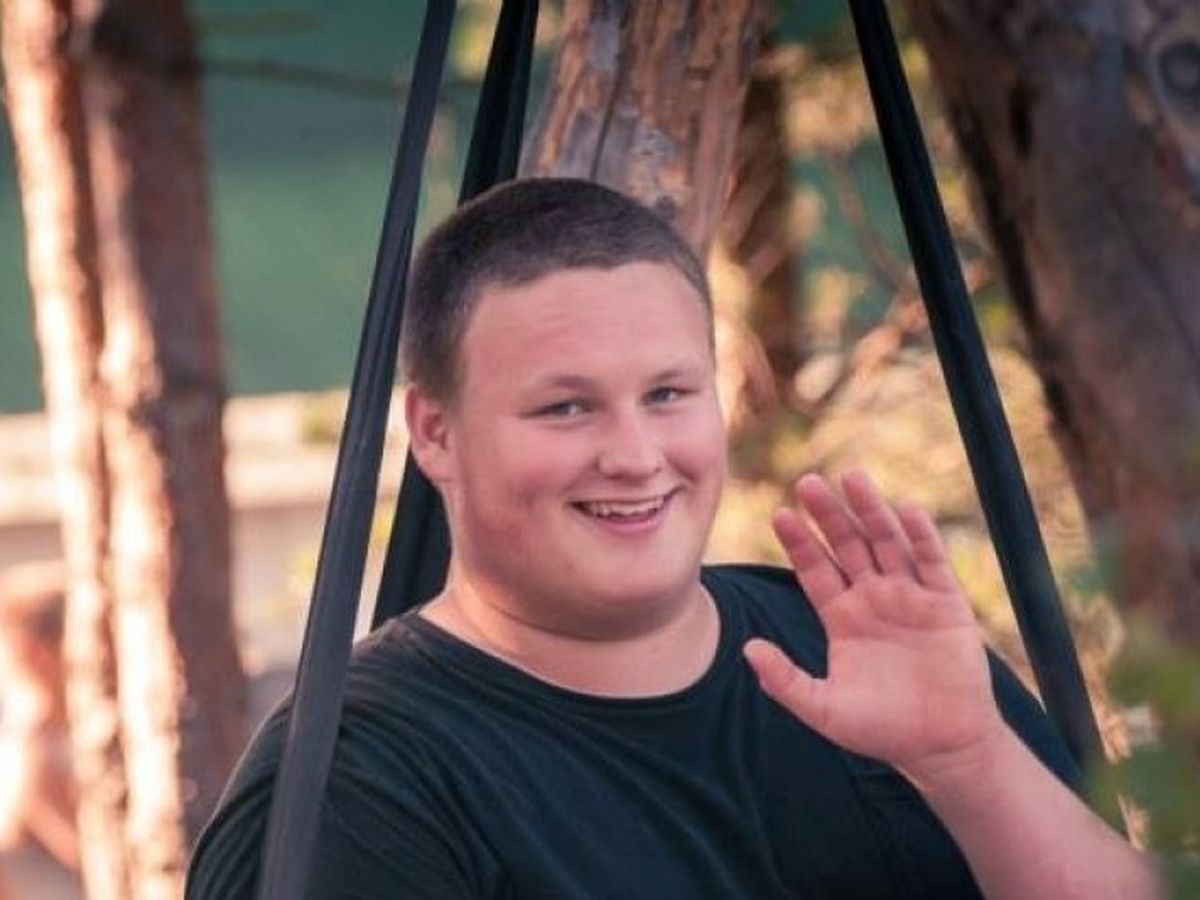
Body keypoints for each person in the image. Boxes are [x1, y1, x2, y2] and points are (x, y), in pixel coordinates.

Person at [187, 178, 1158, 898]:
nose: (635, 456)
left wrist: (968, 758)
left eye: (667, 394)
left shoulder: (853, 643)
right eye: (566, 407)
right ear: (434, 433)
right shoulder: (355, 785)